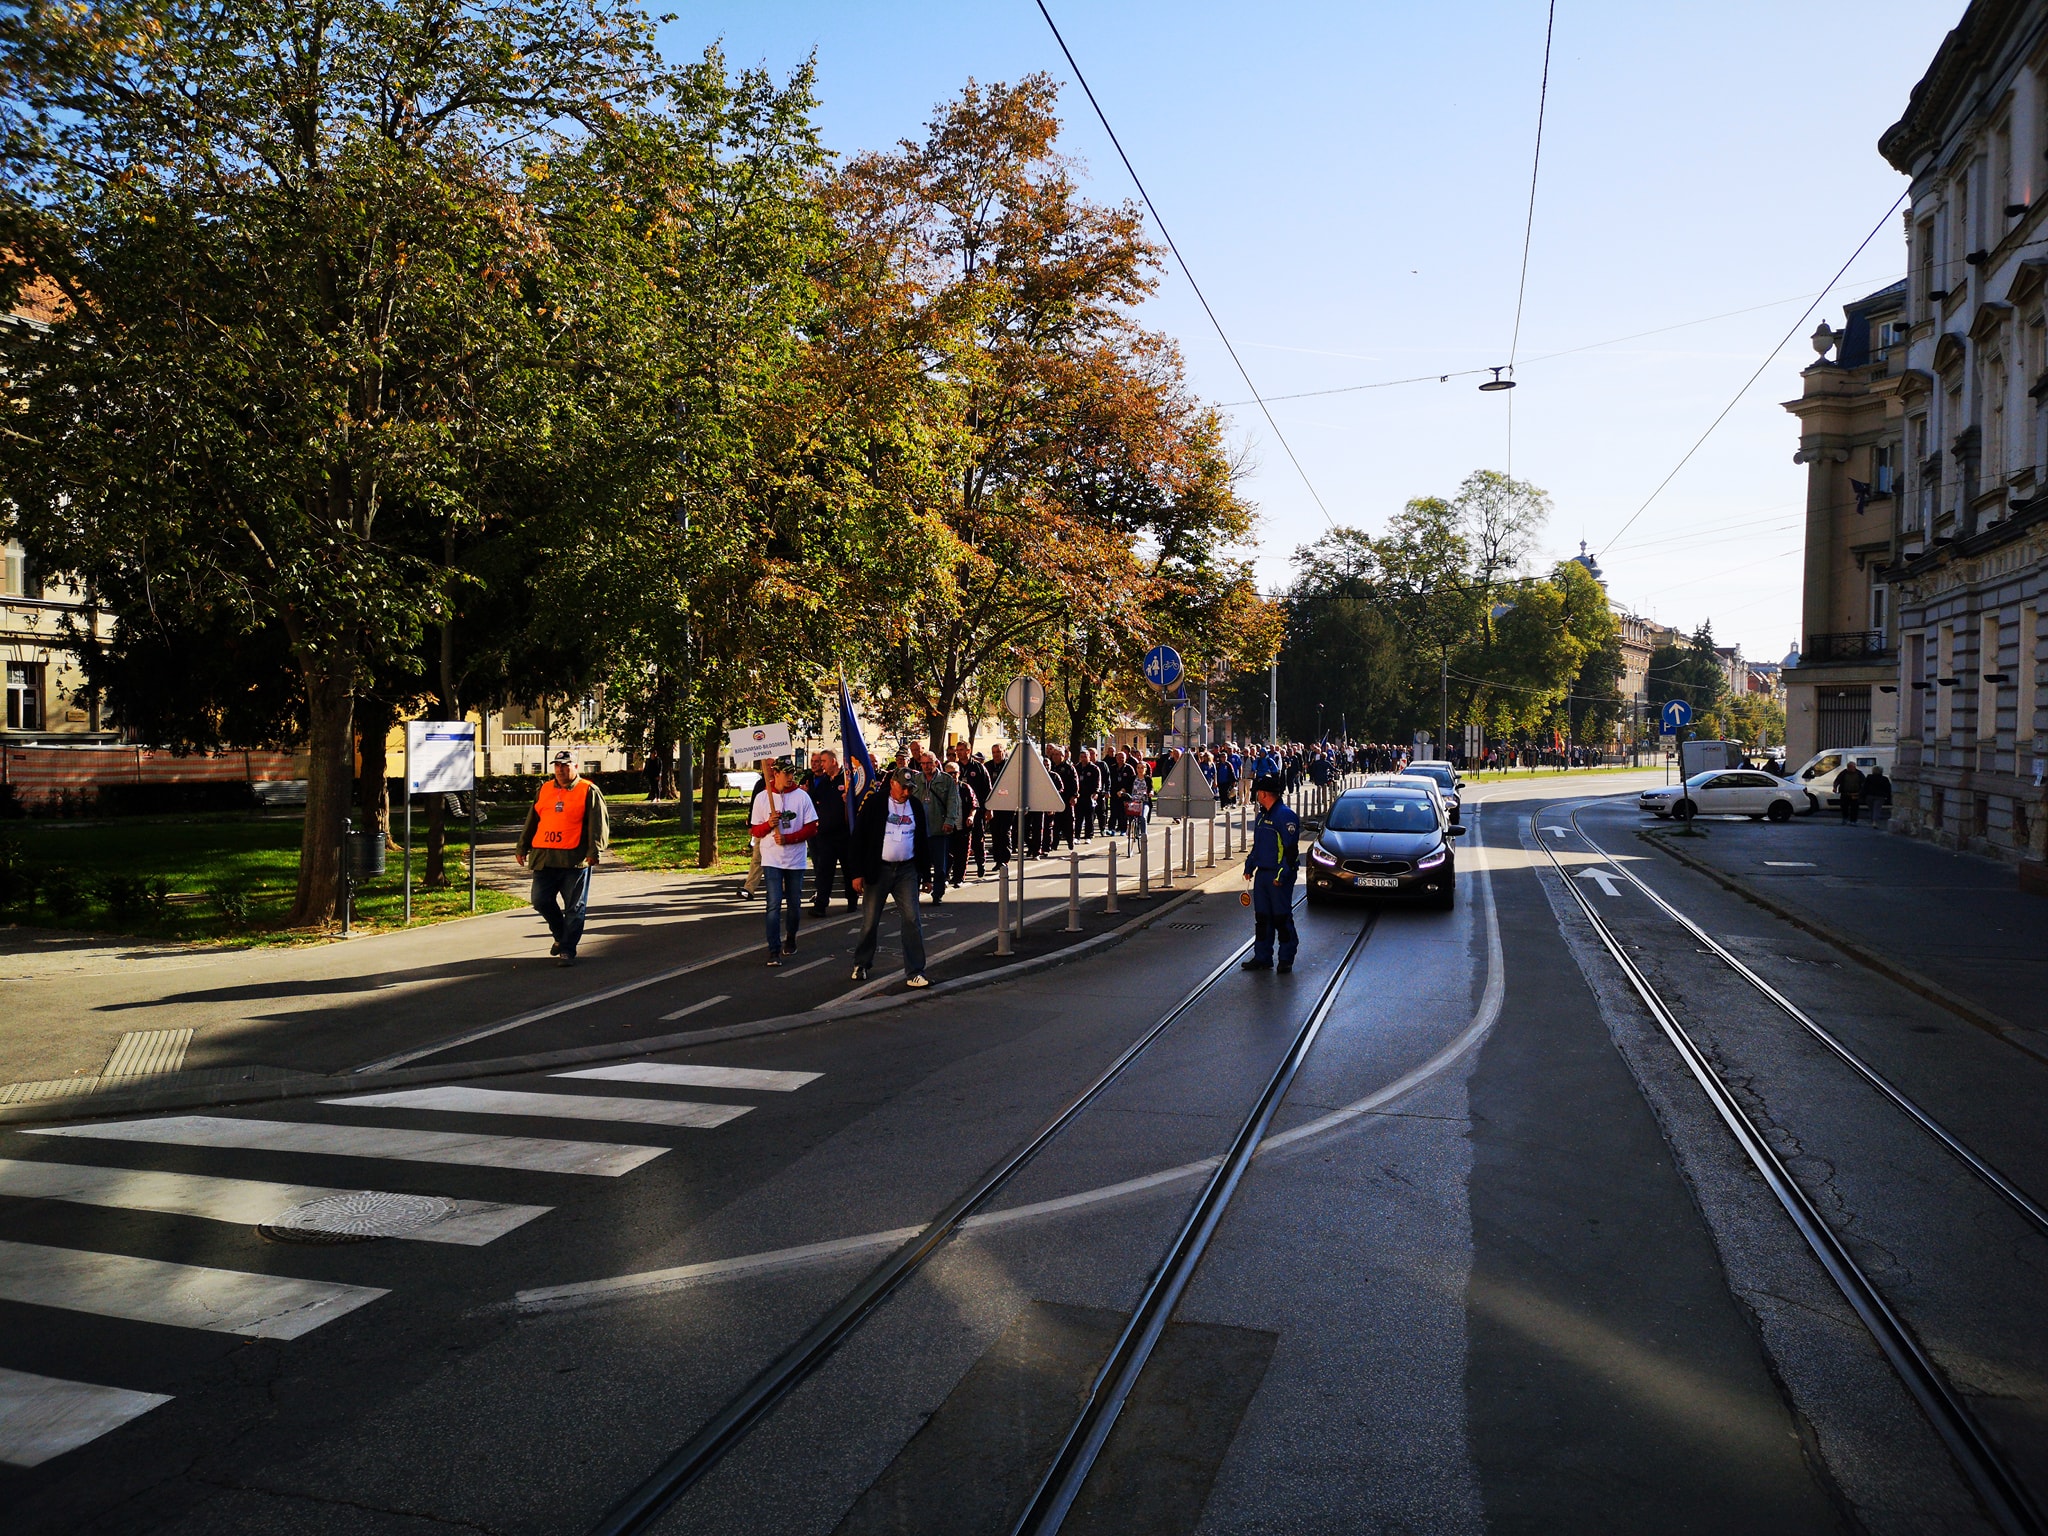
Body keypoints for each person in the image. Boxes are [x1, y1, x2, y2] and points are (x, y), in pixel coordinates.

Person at [515, 751, 610, 967]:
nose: (560, 769)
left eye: (565, 765)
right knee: (540, 900)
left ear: (575, 766)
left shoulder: (588, 790)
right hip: (544, 857)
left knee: (574, 908)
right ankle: (560, 935)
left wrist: (594, 851)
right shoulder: (545, 789)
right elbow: (532, 820)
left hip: (574, 859)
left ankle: (567, 950)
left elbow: (598, 824)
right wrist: (522, 846)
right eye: (557, 765)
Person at [850, 770, 930, 987]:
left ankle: (915, 971)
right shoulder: (875, 803)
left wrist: (926, 874)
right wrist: (857, 873)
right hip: (879, 869)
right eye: (903, 787)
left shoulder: (915, 806)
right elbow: (859, 838)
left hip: (907, 870)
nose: (906, 792)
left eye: (910, 788)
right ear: (893, 783)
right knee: (870, 920)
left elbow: (922, 840)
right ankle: (861, 963)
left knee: (912, 919)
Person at [750, 759, 817, 965]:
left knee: (794, 904)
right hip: (772, 858)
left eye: (792, 773)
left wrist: (790, 838)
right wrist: (768, 825)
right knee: (773, 903)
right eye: (786, 773)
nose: (790, 777)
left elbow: (812, 827)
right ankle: (773, 950)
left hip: (795, 859)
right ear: (775, 773)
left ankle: (791, 937)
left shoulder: (802, 797)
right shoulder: (763, 797)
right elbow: (755, 830)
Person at [1241, 773, 1299, 973]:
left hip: (1277, 876)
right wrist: (1249, 866)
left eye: (1258, 792)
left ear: (1264, 794)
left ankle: (1286, 958)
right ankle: (1262, 957)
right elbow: (1258, 846)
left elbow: (1290, 852)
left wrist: (1281, 875)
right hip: (1263, 875)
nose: (1256, 795)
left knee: (1281, 918)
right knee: (1263, 918)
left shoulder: (1285, 816)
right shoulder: (1262, 816)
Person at [804, 750, 856, 914]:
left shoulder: (847, 779)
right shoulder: (824, 781)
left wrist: (850, 799)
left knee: (848, 869)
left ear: (833, 761)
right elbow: (814, 800)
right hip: (826, 834)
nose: (821, 765)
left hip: (844, 834)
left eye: (824, 761)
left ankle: (852, 901)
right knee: (824, 871)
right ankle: (821, 904)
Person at [916, 749, 961, 901]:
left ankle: (937, 894)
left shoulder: (946, 780)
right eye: (923, 763)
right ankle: (914, 892)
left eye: (929, 763)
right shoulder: (916, 779)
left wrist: (949, 821)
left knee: (940, 866)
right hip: (919, 830)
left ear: (936, 763)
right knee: (918, 864)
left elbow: (953, 801)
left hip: (938, 828)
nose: (926, 766)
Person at [1836, 759, 1867, 825]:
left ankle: (1853, 821)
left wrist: (1861, 792)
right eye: (1849, 767)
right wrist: (1835, 787)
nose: (1850, 768)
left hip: (1855, 794)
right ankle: (1845, 819)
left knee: (1854, 808)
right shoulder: (1843, 773)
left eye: (1851, 767)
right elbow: (1837, 780)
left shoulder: (1859, 773)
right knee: (1844, 807)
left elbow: (1864, 783)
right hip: (1845, 793)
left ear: (1854, 767)